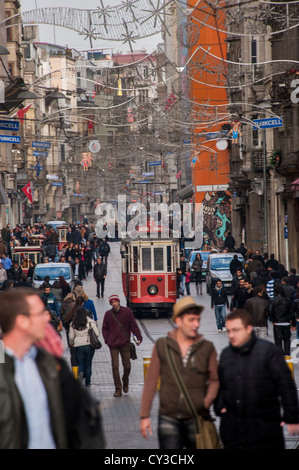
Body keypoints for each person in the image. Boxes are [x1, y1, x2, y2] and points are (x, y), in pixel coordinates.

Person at [0, 287, 104, 449]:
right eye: (39, 313)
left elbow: (78, 416)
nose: (46, 317)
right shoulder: (4, 369)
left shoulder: (49, 364)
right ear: (22, 322)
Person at [140, 296, 219, 448]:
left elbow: (215, 380)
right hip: (169, 417)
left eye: (197, 319)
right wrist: (144, 415)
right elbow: (150, 382)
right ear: (178, 321)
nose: (196, 324)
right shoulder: (162, 346)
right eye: (191, 319)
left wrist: (206, 402)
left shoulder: (206, 348)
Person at [214, 309, 299, 449]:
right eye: (229, 331)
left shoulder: (269, 351)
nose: (231, 335)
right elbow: (220, 385)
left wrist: (292, 416)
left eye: (236, 330)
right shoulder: (226, 354)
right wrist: (220, 406)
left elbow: (286, 385)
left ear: (248, 329)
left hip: (264, 427)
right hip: (233, 428)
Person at [102, 294, 142, 397]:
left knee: (127, 366)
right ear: (110, 303)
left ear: (119, 302)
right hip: (113, 344)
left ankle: (125, 381)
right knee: (115, 366)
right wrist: (107, 340)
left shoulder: (127, 311)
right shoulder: (108, 314)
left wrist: (138, 336)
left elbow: (133, 325)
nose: (114, 303)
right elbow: (104, 328)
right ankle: (118, 388)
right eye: (112, 302)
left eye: (115, 301)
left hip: (125, 343)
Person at [68, 306, 100, 388]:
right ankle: (88, 383)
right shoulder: (90, 322)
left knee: (80, 363)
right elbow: (97, 333)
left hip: (78, 345)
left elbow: (71, 336)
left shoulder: (73, 323)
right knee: (88, 364)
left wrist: (71, 343)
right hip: (89, 344)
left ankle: (80, 376)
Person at [268, 285, 296, 356]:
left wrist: (273, 320)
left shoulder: (272, 300)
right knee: (287, 340)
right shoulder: (288, 300)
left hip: (277, 323)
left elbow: (270, 311)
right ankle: (287, 355)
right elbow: (291, 313)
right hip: (286, 322)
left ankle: (279, 356)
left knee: (278, 341)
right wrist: (293, 323)